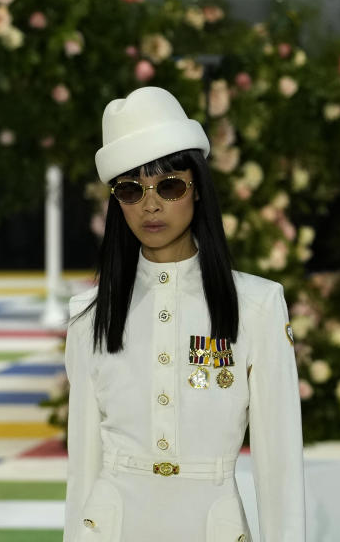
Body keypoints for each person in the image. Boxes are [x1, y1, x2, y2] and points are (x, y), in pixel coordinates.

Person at [64, 87, 304, 541]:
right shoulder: (88, 317)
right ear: (117, 202)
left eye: (170, 186)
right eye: (132, 190)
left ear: (198, 191)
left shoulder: (257, 306)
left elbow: (281, 466)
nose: (150, 205)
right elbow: (83, 469)